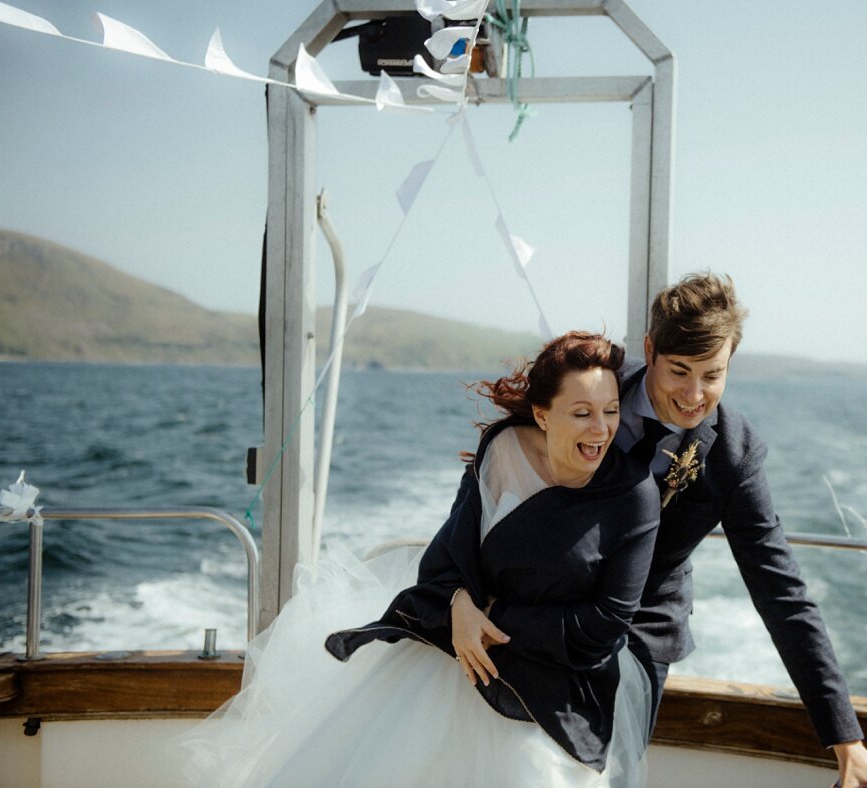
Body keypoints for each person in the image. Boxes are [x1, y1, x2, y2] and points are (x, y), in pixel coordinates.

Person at [452, 274, 867, 788]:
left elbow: (782, 592)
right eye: (679, 371)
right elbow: (489, 491)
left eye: (713, 375)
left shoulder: (733, 455)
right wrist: (459, 594)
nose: (693, 394)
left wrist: (847, 744)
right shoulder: (593, 385)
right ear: (649, 350)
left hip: (633, 632)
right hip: (521, 609)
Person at [178, 330, 661, 787]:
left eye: (611, 410)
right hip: (451, 661)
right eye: (581, 413)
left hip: (554, 691)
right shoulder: (500, 451)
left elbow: (605, 626)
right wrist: (455, 604)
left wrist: (488, 617)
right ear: (541, 415)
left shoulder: (634, 496)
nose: (601, 429)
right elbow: (446, 557)